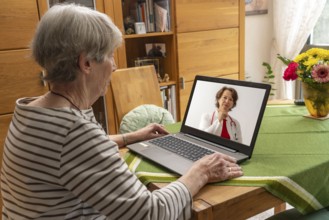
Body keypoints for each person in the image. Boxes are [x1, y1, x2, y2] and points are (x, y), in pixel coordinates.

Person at [0, 4, 243, 220]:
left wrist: (129, 137)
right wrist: (199, 172)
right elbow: (150, 213)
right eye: (109, 55)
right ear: (85, 63)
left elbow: (74, 150)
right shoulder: (73, 132)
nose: (114, 66)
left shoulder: (33, 110)